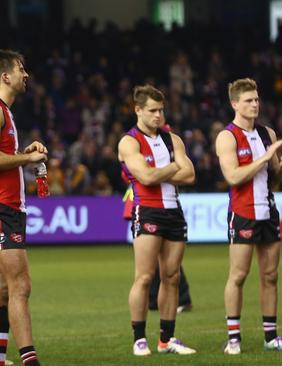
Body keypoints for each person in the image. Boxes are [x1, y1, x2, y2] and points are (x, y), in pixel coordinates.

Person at [0, 49, 47, 366]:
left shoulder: (1, 109)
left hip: (1, 207)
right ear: (5, 76)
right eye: (21, 69)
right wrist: (27, 159)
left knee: (0, 288)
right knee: (20, 285)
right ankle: (29, 359)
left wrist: (21, 153)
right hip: (0, 208)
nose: (25, 74)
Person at [117, 84, 196, 356]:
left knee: (171, 277)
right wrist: (175, 166)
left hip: (174, 210)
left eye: (161, 110)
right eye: (152, 110)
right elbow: (147, 179)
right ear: (137, 110)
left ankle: (167, 339)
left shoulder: (172, 139)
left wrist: (160, 171)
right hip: (147, 211)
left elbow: (191, 176)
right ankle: (139, 338)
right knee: (145, 277)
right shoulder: (129, 142)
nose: (158, 115)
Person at [215, 78, 282, 354]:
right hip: (243, 213)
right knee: (239, 275)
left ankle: (271, 336)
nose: (255, 104)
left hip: (268, 211)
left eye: (256, 99)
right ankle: (233, 338)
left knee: (270, 275)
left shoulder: (268, 133)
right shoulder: (227, 136)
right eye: (248, 100)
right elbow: (232, 176)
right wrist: (264, 159)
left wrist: (276, 163)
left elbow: (275, 175)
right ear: (234, 104)